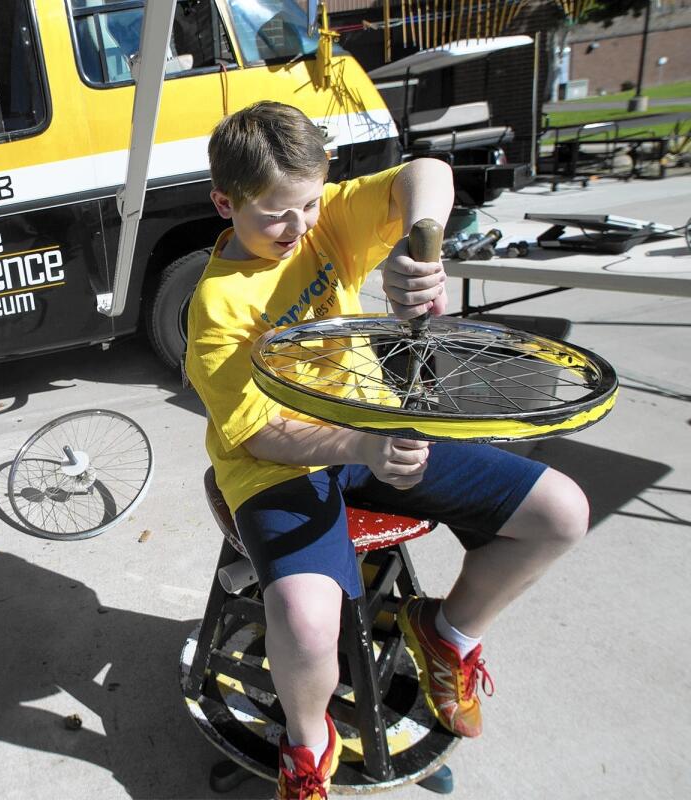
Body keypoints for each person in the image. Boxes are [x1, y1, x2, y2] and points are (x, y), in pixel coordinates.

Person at [185, 101, 589, 800]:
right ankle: (309, 745)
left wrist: (421, 242)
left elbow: (425, 172)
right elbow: (258, 433)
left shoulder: (325, 220)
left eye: (309, 204)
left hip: (370, 435)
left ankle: (447, 633)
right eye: (275, 214)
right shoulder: (215, 308)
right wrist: (364, 443)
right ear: (225, 201)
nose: (299, 227)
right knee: (309, 626)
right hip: (276, 465)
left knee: (560, 512)